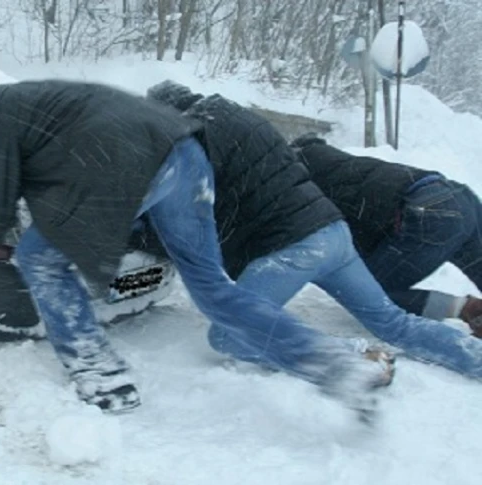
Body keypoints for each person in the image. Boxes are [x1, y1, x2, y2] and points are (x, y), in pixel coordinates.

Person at [0, 76, 393, 419]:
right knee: (212, 289)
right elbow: (52, 169)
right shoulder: (30, 103)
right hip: (184, 155)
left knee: (39, 257)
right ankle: (336, 367)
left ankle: (98, 371)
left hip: (129, 166)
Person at [145, 79, 482, 382]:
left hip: (292, 247)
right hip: (333, 234)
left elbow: (196, 211)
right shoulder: (247, 120)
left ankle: (350, 359)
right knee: (392, 321)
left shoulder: (195, 143)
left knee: (229, 334)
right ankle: (474, 360)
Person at [290, 134, 482, 336]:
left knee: (365, 290)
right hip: (457, 196)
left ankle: (468, 309)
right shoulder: (324, 160)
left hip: (430, 212)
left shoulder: (294, 178)